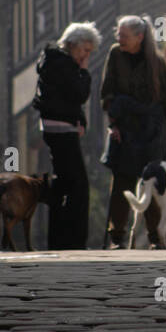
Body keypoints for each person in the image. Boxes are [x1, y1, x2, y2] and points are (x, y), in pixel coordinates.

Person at [100, 15, 166, 249]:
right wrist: (113, 124)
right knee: (122, 184)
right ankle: (117, 237)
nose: (120, 39)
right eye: (118, 34)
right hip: (125, 129)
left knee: (152, 183)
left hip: (151, 130)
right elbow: (107, 93)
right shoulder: (115, 55)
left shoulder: (157, 62)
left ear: (140, 37)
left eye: (124, 35)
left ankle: (155, 236)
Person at [33, 21, 102, 249]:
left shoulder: (56, 61)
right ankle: (74, 241)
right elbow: (80, 94)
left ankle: (59, 240)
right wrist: (84, 70)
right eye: (85, 51)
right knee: (78, 187)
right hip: (61, 129)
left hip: (58, 126)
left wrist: (79, 120)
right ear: (73, 45)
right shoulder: (64, 64)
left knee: (64, 184)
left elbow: (71, 100)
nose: (85, 56)